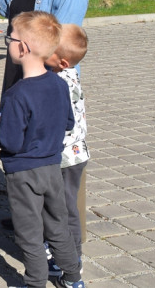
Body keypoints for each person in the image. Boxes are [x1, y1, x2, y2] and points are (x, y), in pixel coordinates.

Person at [0, 11, 84, 288]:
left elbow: (11, 142)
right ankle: (74, 279)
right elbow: (68, 121)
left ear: (23, 48)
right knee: (58, 228)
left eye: (10, 38)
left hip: (23, 175)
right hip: (53, 169)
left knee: (29, 234)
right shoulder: (59, 82)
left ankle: (34, 283)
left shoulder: (16, 94)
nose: (9, 43)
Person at [44, 24, 90, 278]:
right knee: (62, 207)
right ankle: (60, 251)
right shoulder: (68, 76)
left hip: (66, 158)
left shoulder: (58, 83)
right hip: (75, 154)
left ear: (62, 62)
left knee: (65, 209)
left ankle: (71, 259)